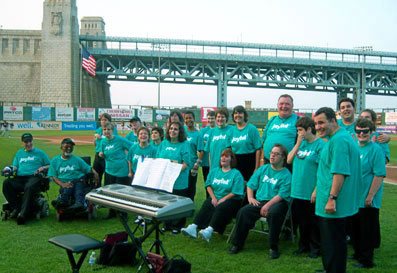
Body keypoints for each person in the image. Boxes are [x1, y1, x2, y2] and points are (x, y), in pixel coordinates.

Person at [313, 107, 361, 273]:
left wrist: (332, 198)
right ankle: (330, 268)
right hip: (330, 201)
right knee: (330, 241)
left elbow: (340, 172)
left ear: (333, 120)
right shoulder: (335, 138)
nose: (318, 127)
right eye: (316, 123)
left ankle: (334, 270)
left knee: (334, 242)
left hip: (334, 204)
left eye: (321, 122)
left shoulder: (339, 140)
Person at [229, 144, 292, 259]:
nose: (272, 156)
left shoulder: (286, 174)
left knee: (273, 213)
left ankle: (273, 247)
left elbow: (281, 195)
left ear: (283, 157)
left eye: (276, 154)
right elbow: (250, 185)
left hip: (277, 203)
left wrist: (267, 205)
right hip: (260, 202)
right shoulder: (263, 169)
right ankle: (237, 244)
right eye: (271, 153)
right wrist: (250, 198)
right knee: (243, 212)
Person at [181, 150, 244, 242]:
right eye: (222, 156)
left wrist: (223, 199)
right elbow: (208, 185)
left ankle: (209, 230)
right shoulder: (215, 171)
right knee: (207, 203)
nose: (223, 158)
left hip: (232, 200)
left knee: (221, 206)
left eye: (226, 156)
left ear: (232, 160)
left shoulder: (236, 174)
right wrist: (213, 198)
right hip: (216, 197)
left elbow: (236, 191)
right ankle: (193, 227)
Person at [287, 117, 325, 259]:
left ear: (309, 129)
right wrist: (297, 144)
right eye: (297, 131)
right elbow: (288, 160)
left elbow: (323, 171)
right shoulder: (300, 144)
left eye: (301, 130)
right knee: (302, 221)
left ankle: (316, 248)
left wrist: (316, 190)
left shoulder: (320, 145)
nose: (299, 133)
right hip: (297, 190)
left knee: (313, 222)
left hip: (311, 191)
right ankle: (303, 246)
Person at [350, 119, 386, 269]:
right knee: (355, 229)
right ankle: (358, 254)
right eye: (359, 131)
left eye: (365, 131)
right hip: (355, 197)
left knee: (367, 230)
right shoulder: (355, 148)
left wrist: (370, 195)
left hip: (368, 198)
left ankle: (367, 260)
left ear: (371, 132)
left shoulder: (376, 149)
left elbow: (379, 174)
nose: (362, 134)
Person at [2, 133, 51, 225]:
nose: (28, 144)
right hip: (20, 177)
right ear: (22, 143)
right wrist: (9, 168)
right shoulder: (19, 153)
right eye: (26, 142)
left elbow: (49, 165)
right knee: (6, 183)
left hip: (34, 176)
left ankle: (23, 214)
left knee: (29, 186)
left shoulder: (40, 153)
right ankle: (16, 207)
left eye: (30, 141)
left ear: (32, 141)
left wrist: (42, 168)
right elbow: (15, 166)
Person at [156, 121, 191, 234]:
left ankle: (177, 226)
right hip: (165, 179)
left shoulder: (184, 144)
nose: (173, 131)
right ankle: (167, 224)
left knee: (178, 203)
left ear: (180, 131)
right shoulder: (164, 143)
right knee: (167, 202)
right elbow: (158, 160)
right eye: (171, 128)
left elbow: (185, 163)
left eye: (176, 129)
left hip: (179, 179)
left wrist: (173, 170)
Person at [49, 138, 99, 210]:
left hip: (78, 180)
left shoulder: (77, 159)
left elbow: (88, 168)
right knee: (67, 187)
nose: (69, 148)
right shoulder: (55, 160)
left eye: (71, 147)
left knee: (77, 186)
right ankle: (64, 202)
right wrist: (62, 184)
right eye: (66, 147)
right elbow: (54, 177)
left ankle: (78, 203)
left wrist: (95, 173)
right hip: (65, 182)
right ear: (61, 148)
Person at [99, 122, 133, 219]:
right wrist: (102, 155)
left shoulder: (119, 140)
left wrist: (128, 158)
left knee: (122, 193)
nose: (106, 131)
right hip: (109, 170)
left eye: (108, 129)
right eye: (104, 130)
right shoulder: (103, 142)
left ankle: (123, 213)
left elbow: (132, 147)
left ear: (112, 130)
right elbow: (104, 153)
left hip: (122, 170)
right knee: (110, 192)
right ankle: (112, 212)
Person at [260, 94, 299, 170]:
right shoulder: (272, 120)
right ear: (277, 105)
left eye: (287, 104)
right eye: (281, 104)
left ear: (292, 106)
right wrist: (261, 160)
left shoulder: (298, 120)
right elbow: (264, 142)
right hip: (268, 162)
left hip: (288, 164)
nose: (284, 106)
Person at [230, 105, 262, 181]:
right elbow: (229, 149)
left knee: (249, 188)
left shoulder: (252, 129)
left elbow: (258, 149)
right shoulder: (231, 131)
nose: (237, 115)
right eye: (235, 113)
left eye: (240, 113)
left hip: (250, 161)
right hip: (236, 162)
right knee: (237, 187)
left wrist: (256, 168)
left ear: (244, 115)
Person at [93, 113, 118, 187]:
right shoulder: (98, 130)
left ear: (109, 121)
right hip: (98, 154)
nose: (103, 121)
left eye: (105, 120)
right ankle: (96, 190)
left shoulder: (113, 130)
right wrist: (95, 137)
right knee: (96, 175)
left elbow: (114, 141)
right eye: (102, 120)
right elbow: (95, 144)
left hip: (107, 154)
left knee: (108, 175)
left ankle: (107, 190)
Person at [184, 111, 204, 201]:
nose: (189, 120)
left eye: (190, 118)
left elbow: (201, 151)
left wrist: (197, 164)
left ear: (194, 119)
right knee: (182, 187)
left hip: (192, 165)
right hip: (181, 164)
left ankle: (190, 206)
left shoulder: (198, 134)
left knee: (191, 187)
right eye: (186, 118)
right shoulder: (182, 131)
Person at [200, 110, 216, 186]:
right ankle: (208, 197)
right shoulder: (203, 130)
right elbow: (200, 144)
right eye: (209, 118)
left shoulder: (217, 130)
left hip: (215, 161)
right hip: (205, 161)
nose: (210, 120)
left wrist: (207, 143)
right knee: (207, 182)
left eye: (212, 118)